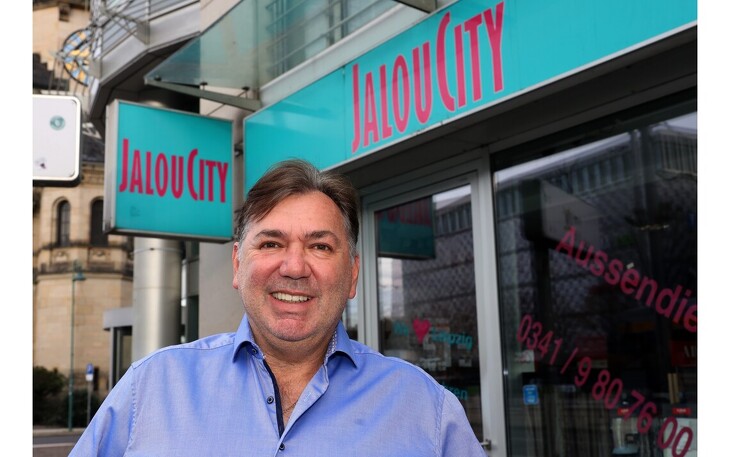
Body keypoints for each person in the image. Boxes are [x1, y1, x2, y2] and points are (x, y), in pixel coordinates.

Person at [70, 159, 486, 456]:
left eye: (320, 246)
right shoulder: (150, 389)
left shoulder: (427, 410)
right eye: (271, 243)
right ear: (238, 264)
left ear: (353, 274)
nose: (294, 267)